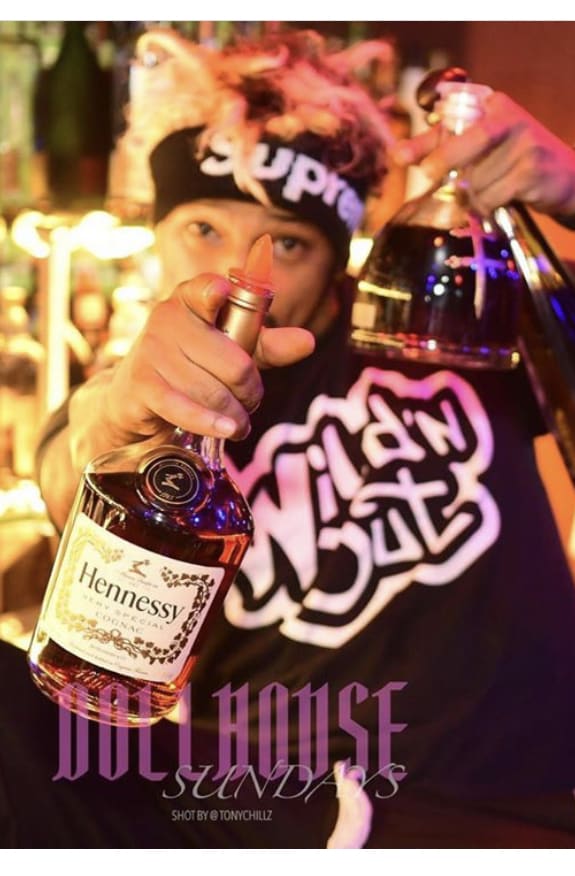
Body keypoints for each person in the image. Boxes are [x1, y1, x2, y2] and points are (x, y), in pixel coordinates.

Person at [2, 29, 575, 849]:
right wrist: (121, 415)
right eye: (203, 228)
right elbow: (71, 463)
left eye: (290, 244)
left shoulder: (441, 325)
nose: (244, 271)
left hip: (522, 801)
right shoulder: (142, 388)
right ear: (156, 231)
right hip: (293, 816)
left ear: (336, 256)